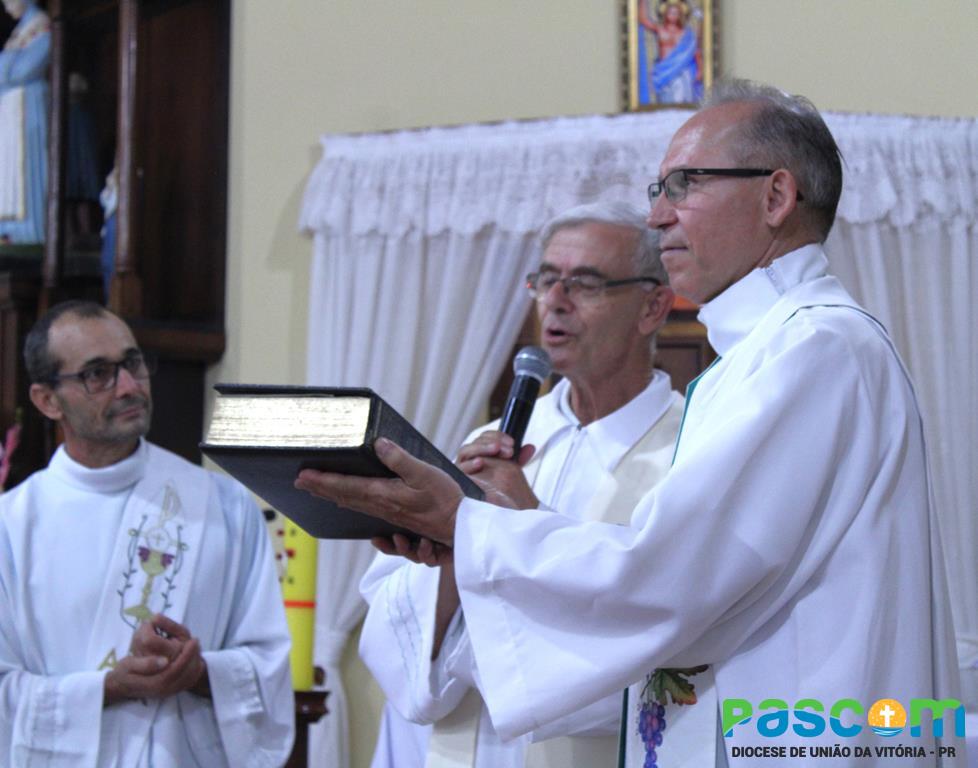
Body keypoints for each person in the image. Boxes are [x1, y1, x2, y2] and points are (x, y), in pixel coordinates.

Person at [295, 81, 962, 766]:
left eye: (685, 184)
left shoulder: (815, 349)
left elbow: (667, 575)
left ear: (776, 197)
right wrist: (464, 532)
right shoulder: (762, 356)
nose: (659, 217)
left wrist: (463, 523)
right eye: (657, 189)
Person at [359, 202, 683, 768]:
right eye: (546, 280)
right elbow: (395, 632)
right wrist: (447, 551)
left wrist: (517, 521)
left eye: (585, 283)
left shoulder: (690, 447)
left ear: (653, 305)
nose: (555, 301)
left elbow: (668, 628)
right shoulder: (488, 442)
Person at [0, 301, 295, 767]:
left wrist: (199, 672)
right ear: (47, 400)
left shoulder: (223, 507)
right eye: (98, 374)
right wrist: (108, 688)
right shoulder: (11, 529)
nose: (129, 386)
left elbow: (268, 667)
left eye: (133, 362)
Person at [0, 0, 49, 244]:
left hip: (28, 107)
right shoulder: (18, 34)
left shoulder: (41, 26)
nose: (6, 4)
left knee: (28, 168)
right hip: (11, 109)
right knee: (9, 171)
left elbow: (23, 70)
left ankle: (31, 231)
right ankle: (10, 228)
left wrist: (7, 68)